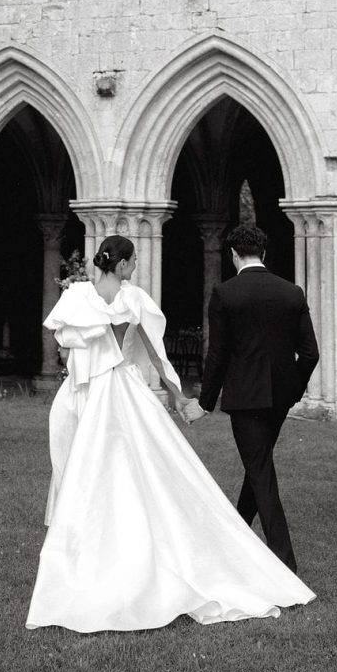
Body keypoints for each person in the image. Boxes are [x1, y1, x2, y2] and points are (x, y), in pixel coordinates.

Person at [26, 235, 315, 632]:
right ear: (124, 265)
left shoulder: (76, 297)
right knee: (133, 471)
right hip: (117, 392)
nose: (136, 266)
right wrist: (180, 397)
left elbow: (65, 352)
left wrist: (187, 397)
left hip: (78, 396)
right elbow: (157, 354)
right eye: (134, 261)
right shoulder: (133, 299)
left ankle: (87, 559)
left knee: (82, 474)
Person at [194, 223, 319, 573]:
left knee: (260, 471)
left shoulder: (225, 293)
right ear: (263, 253)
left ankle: (285, 565)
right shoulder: (292, 292)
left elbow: (216, 355)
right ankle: (234, 536)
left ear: (234, 255)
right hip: (280, 398)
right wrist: (293, 391)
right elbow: (310, 354)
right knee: (258, 466)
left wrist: (205, 402)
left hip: (246, 399)